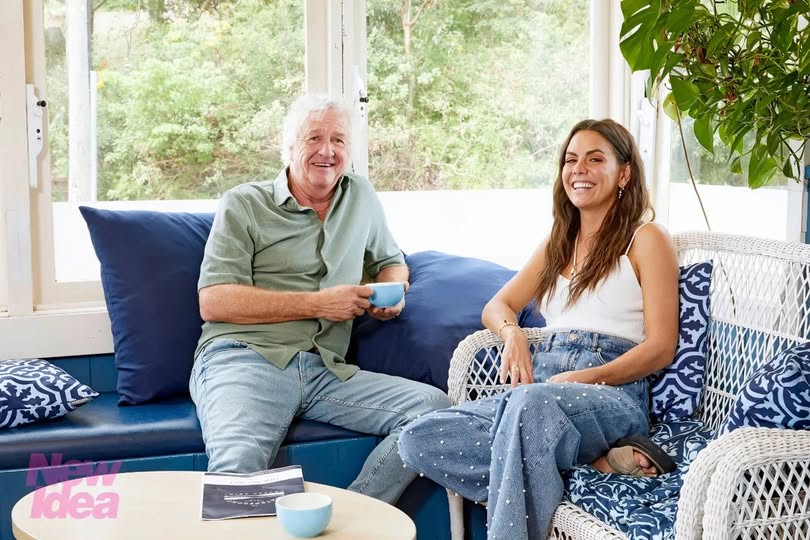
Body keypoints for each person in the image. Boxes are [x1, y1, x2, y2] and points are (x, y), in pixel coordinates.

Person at [398, 119, 680, 539]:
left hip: (611, 394)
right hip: (539, 396)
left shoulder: (646, 238)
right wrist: (512, 333)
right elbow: (498, 306)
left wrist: (585, 377)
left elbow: (661, 347)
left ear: (624, 173)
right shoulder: (558, 243)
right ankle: (593, 464)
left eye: (595, 159)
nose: (578, 169)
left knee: (529, 407)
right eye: (571, 160)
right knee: (418, 438)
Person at [189, 94, 451, 505]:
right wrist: (318, 303)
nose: (327, 150)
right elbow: (215, 301)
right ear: (289, 147)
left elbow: (391, 262)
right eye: (314, 138)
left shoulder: (360, 196)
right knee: (237, 480)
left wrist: (392, 294)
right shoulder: (244, 203)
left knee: (433, 409)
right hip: (245, 357)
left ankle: (356, 517)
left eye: (338, 140)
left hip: (327, 368)